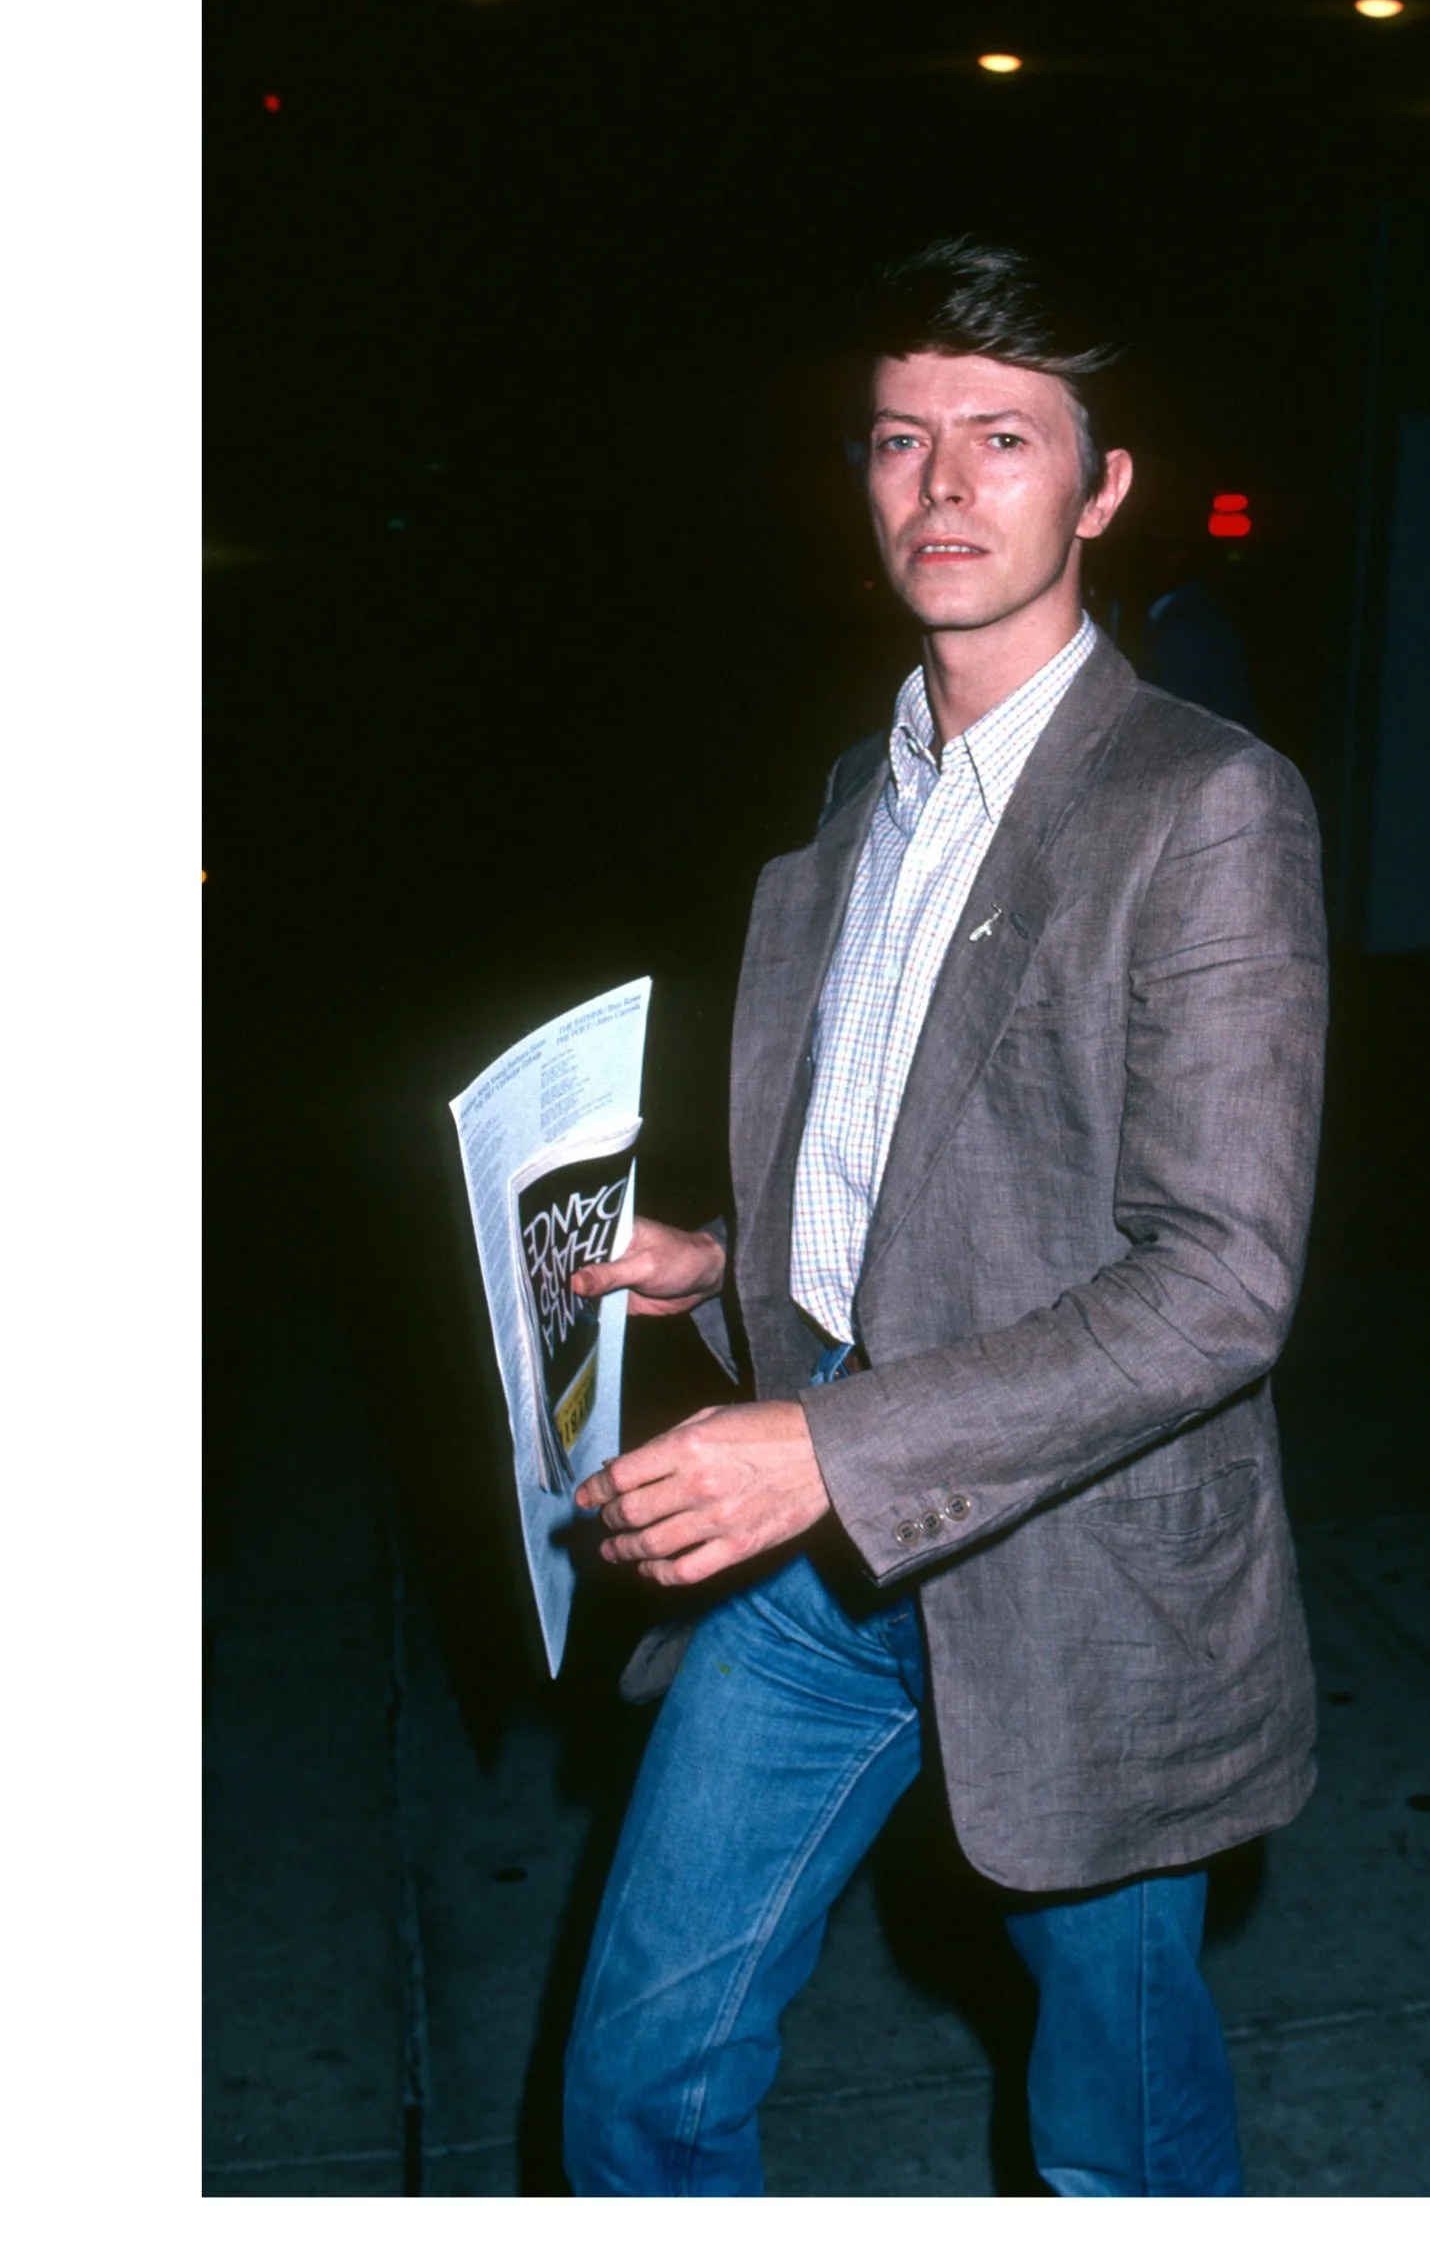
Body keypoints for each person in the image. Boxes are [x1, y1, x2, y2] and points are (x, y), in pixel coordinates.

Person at [559, 237, 1328, 2197]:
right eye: (902, 441)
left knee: (1117, 2144)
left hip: (1071, 1583)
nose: (944, 487)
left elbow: (1220, 1285)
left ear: (1105, 484)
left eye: (1003, 438)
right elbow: (922, 1169)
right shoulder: (855, 799)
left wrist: (820, 1438)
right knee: (639, 2080)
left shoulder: (1202, 805)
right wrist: (721, 1269)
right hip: (820, 1584)